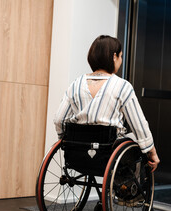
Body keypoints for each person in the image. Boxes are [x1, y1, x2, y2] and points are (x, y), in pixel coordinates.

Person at [54, 35, 160, 172]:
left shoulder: (75, 84)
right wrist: (152, 152)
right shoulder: (122, 86)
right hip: (109, 152)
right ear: (114, 56)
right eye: (121, 56)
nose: (121, 61)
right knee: (135, 137)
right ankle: (127, 188)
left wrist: (67, 141)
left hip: (78, 153)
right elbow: (139, 124)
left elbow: (59, 119)